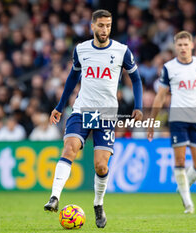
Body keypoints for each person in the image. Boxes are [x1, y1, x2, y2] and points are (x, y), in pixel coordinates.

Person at [44, 9, 143, 228]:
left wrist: (139, 107)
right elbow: (72, 78)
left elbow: (136, 79)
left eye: (108, 25)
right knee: (70, 148)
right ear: (92, 26)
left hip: (106, 115)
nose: (105, 29)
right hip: (82, 110)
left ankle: (98, 204)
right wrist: (60, 107)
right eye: (101, 25)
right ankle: (54, 197)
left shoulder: (122, 51)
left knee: (101, 166)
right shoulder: (81, 50)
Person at [147, 31, 196, 214]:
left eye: (185, 44)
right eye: (179, 45)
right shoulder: (169, 67)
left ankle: (183, 186)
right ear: (175, 47)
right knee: (180, 160)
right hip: (178, 119)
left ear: (192, 46)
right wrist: (152, 121)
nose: (182, 48)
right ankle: (188, 203)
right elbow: (160, 97)